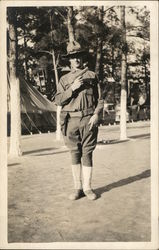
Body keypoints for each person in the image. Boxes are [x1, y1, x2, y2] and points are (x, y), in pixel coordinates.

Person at [55, 41, 104, 200]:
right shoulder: (64, 79)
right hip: (71, 121)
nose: (76, 60)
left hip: (88, 119)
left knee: (87, 153)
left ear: (83, 58)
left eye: (79, 56)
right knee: (74, 153)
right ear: (69, 60)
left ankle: (88, 188)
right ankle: (77, 188)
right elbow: (58, 100)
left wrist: (96, 114)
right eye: (73, 57)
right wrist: (73, 88)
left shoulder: (92, 75)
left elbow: (100, 99)